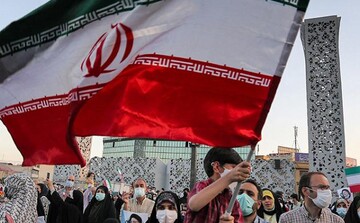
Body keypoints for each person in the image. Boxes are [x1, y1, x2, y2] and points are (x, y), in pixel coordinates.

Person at [184, 147, 251, 223]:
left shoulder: (231, 198)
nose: (237, 172)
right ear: (216, 167)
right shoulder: (202, 186)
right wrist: (228, 178)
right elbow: (194, 204)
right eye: (233, 167)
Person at [278, 171, 344, 223]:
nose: (327, 192)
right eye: (321, 187)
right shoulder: (287, 219)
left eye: (327, 188)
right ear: (305, 191)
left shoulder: (336, 220)